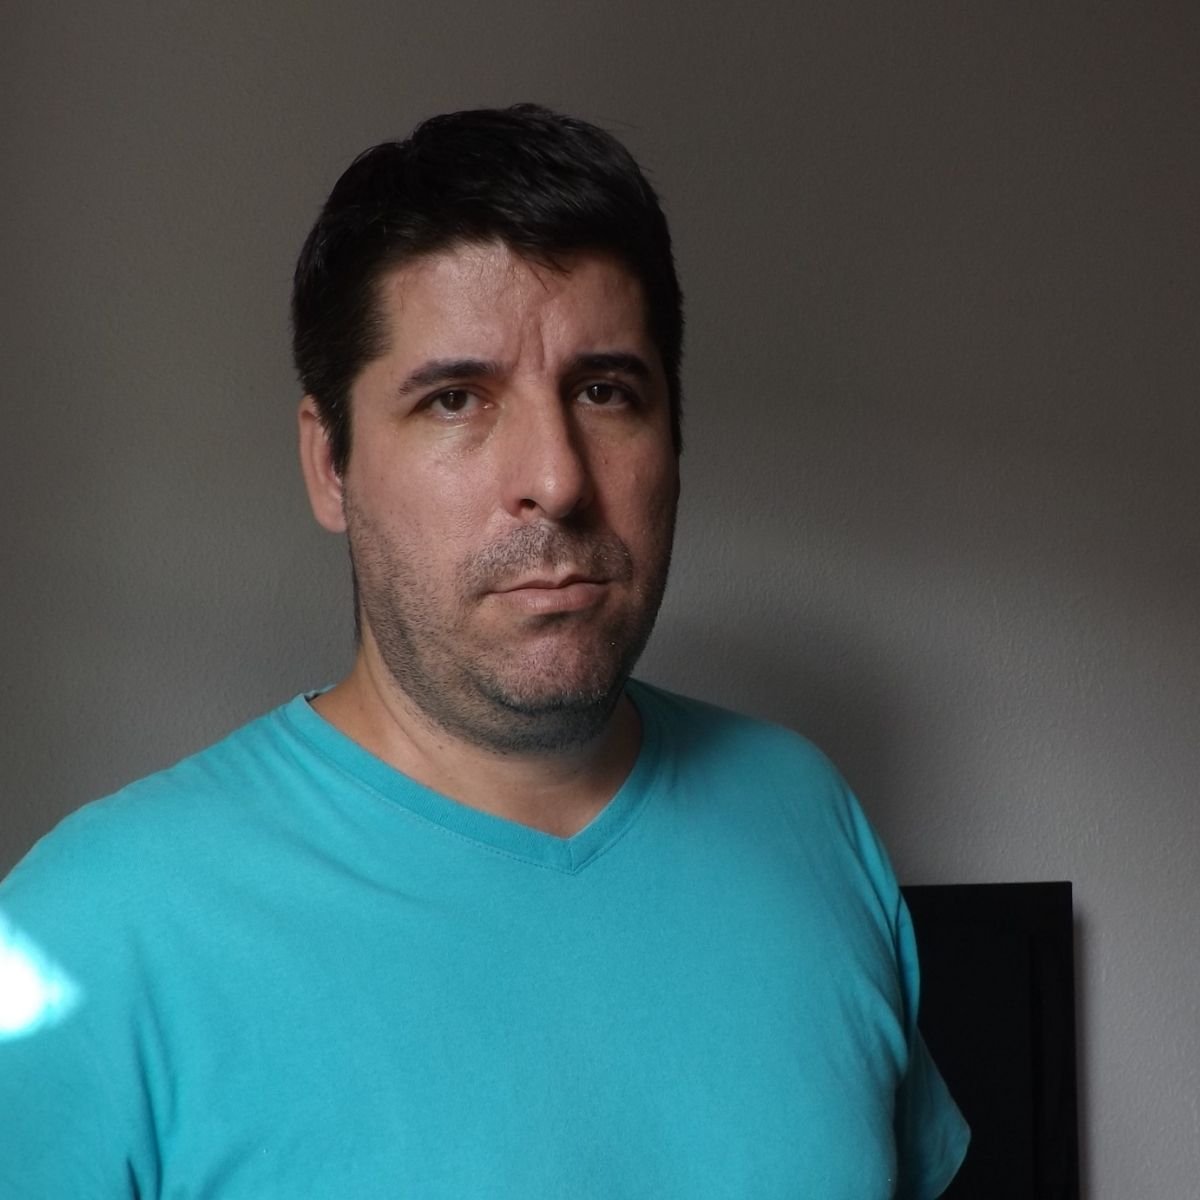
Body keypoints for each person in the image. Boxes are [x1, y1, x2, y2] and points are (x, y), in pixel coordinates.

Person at [0, 105, 968, 1197]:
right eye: (456, 399)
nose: (556, 478)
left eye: (604, 391)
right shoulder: (91, 932)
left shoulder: (804, 814)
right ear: (330, 465)